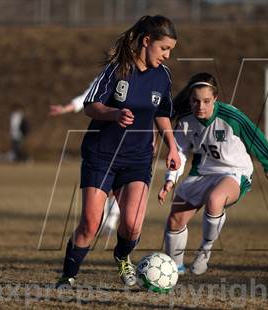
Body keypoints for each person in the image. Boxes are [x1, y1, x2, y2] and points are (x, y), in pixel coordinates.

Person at [57, 15, 180, 288]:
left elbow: (161, 113)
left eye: (171, 50)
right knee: (91, 223)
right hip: (102, 155)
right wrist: (114, 113)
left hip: (137, 158)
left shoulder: (163, 76)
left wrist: (172, 146)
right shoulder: (117, 69)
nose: (167, 56)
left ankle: (122, 256)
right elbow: (91, 105)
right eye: (164, 49)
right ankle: (67, 276)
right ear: (146, 41)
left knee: (133, 224)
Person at [158, 72, 268, 275]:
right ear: (189, 99)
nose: (200, 106)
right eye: (195, 101)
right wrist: (170, 180)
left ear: (215, 98)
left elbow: (254, 136)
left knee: (215, 200)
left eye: (206, 101)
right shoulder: (186, 120)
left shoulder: (231, 116)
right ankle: (174, 270)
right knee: (174, 220)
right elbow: (179, 153)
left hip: (234, 171)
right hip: (202, 172)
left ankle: (205, 251)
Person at [48, 80, 120, 237]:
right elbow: (86, 97)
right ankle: (104, 222)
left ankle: (110, 223)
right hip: (104, 139)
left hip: (128, 141)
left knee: (119, 187)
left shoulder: (146, 75)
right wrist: (65, 109)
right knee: (105, 186)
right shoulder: (107, 76)